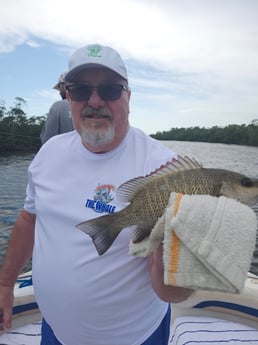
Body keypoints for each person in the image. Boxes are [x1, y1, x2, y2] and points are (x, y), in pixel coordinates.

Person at [0, 44, 193, 345]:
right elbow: (28, 221)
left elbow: (170, 292)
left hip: (136, 337)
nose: (94, 100)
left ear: (128, 97)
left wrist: (183, 263)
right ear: (68, 97)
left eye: (110, 89)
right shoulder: (49, 153)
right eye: (80, 90)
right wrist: (5, 283)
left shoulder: (163, 169)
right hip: (55, 331)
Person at [40, 72, 74, 144]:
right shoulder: (87, 104)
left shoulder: (57, 106)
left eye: (59, 88)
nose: (59, 92)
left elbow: (47, 139)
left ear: (64, 85)